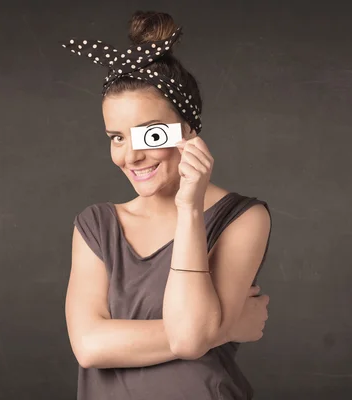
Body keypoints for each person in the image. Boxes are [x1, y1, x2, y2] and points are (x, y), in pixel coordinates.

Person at [62, 11, 272, 400]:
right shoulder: (97, 226)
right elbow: (89, 346)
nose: (131, 156)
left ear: (188, 129)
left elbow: (193, 338)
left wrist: (190, 209)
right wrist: (225, 327)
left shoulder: (242, 218)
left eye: (149, 134)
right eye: (117, 138)